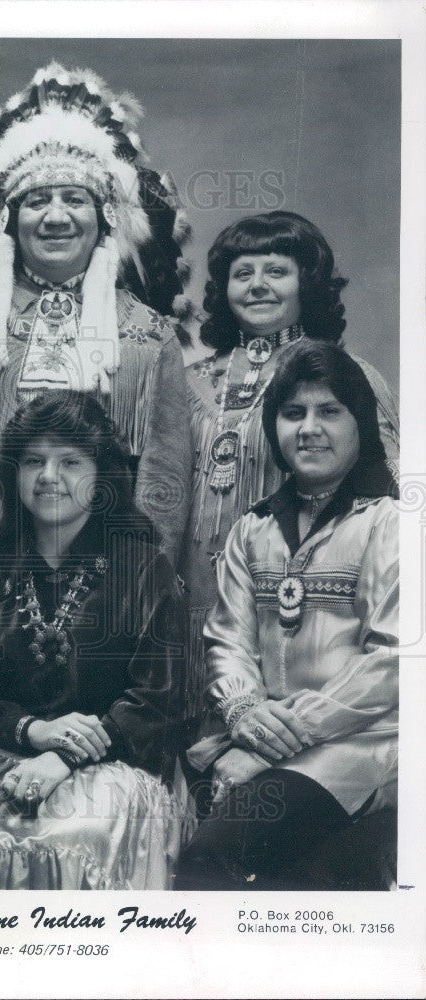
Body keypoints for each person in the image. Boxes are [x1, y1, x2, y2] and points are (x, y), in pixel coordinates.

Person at [0, 62, 194, 580]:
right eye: (37, 202)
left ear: (104, 219)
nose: (56, 217)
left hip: (107, 578)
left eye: (74, 199)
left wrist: (138, 575)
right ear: (9, 223)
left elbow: (165, 479)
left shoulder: (149, 335)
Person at [0, 392, 199, 890]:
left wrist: (65, 755)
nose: (48, 476)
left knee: (79, 824)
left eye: (70, 462)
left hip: (120, 762)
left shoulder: (144, 568)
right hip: (11, 752)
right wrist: (31, 731)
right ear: (14, 474)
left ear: (101, 478)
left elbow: (162, 701)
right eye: (33, 461)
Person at [175, 340, 398, 890]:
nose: (308, 428)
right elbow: (226, 641)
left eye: (329, 411)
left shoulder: (392, 522)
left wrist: (279, 741)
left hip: (361, 741)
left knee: (211, 864)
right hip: (258, 735)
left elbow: (395, 662)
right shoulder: (253, 529)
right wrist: (245, 716)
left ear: (361, 424)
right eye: (293, 413)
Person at [181, 210, 399, 688]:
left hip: (299, 594)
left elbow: (381, 494)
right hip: (191, 590)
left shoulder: (345, 376)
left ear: (308, 283)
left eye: (276, 271)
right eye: (243, 274)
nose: (258, 285)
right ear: (224, 288)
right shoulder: (188, 381)